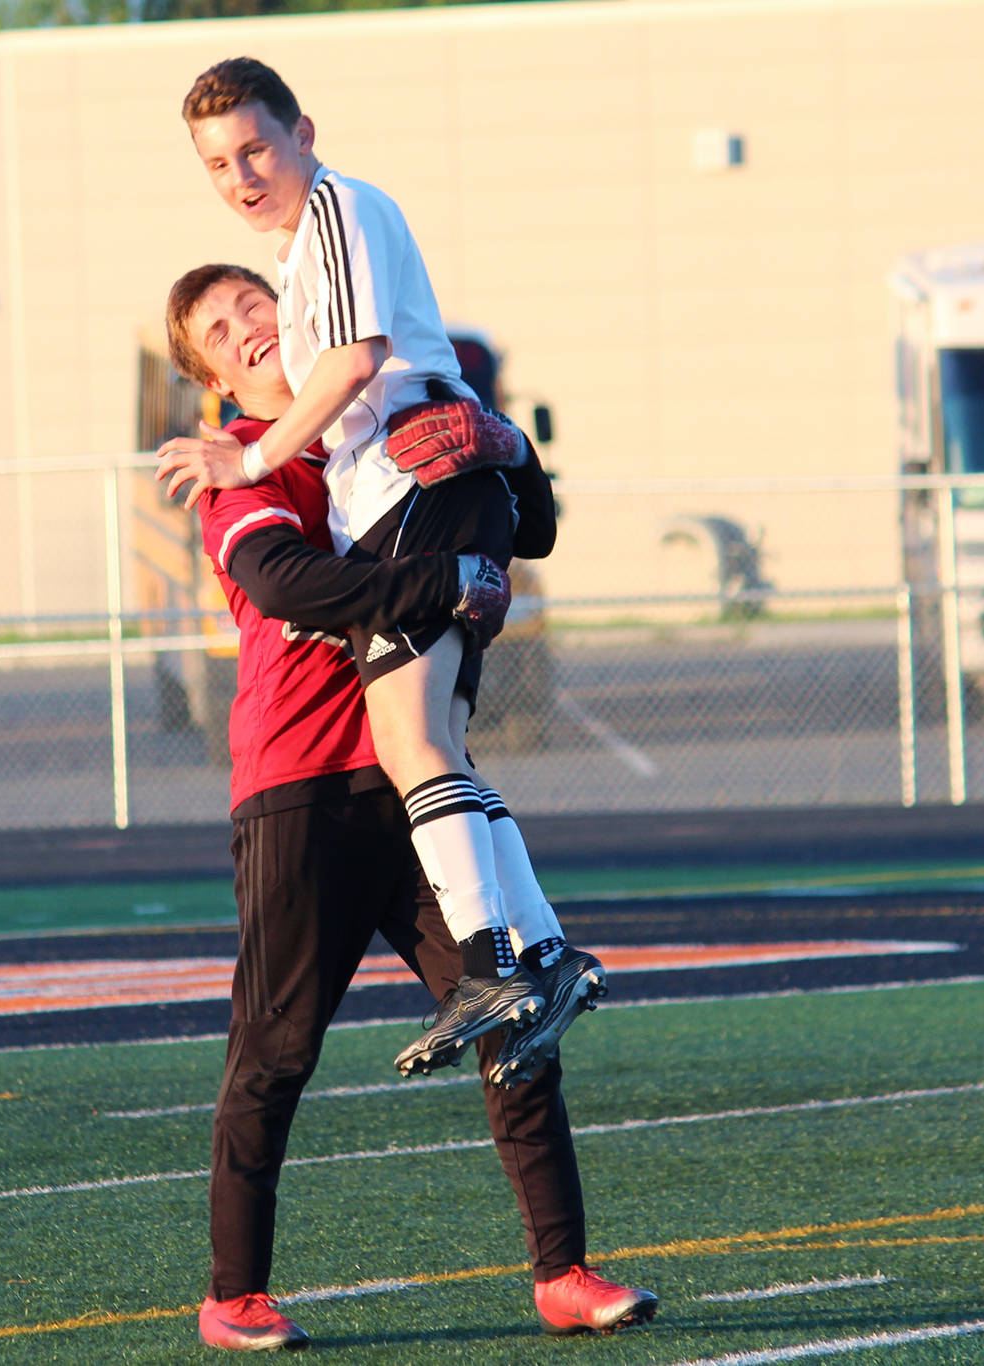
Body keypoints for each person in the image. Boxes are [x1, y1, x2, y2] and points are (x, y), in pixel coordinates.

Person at [168, 261, 658, 1350]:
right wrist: (437, 586)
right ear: (206, 373)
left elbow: (524, 530)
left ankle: (562, 1270)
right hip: (299, 793)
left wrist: (512, 453)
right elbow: (295, 586)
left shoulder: (363, 430)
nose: (247, 326)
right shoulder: (240, 473)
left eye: (256, 303)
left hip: (412, 789)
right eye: (217, 327)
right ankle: (231, 1293)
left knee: (513, 1018)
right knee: (274, 1050)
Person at [157, 58, 605, 1078]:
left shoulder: (332, 212)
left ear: (303, 132)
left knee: (411, 745)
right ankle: (539, 953)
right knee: (436, 744)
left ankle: (495, 963)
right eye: (217, 163)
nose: (240, 174)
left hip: (415, 492)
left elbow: (358, 365)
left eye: (255, 147)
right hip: (426, 494)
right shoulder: (307, 241)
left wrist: (251, 453)